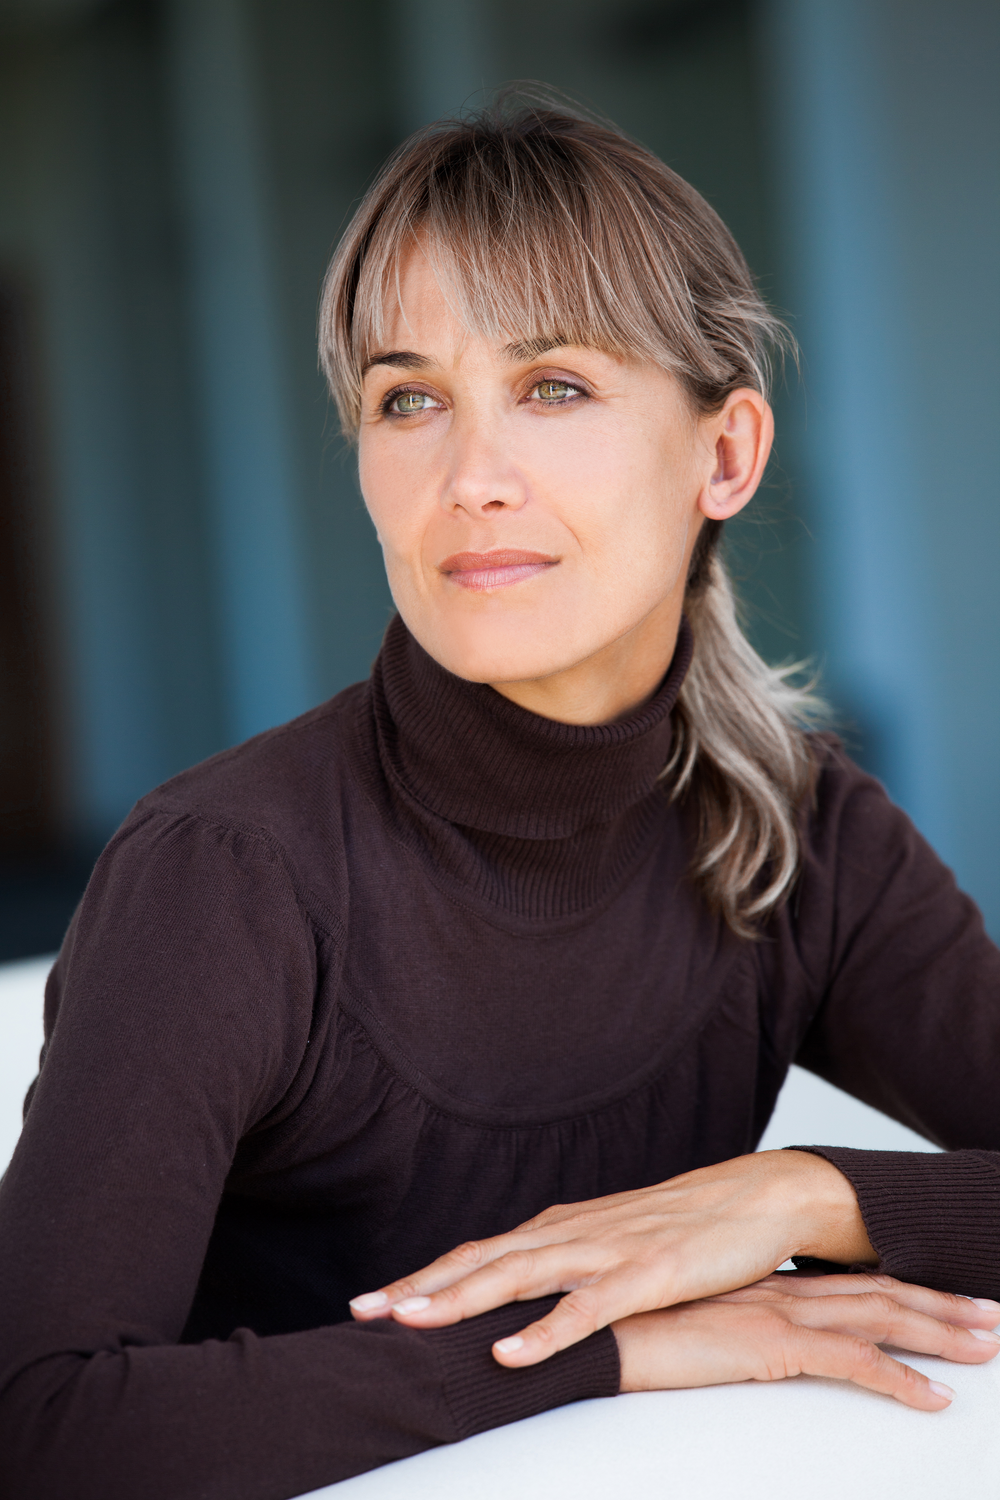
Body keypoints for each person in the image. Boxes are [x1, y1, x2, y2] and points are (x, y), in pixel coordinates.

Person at [1, 97, 998, 1500]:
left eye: (555, 386)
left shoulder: (806, 833)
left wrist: (803, 1196)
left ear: (726, 455)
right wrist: (614, 1344)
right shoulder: (226, 874)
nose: (470, 479)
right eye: (411, 399)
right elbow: (41, 1423)